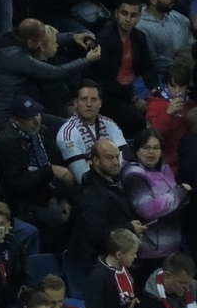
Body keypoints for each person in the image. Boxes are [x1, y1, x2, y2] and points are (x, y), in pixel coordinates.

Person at [0, 19, 98, 131]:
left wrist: (72, 37)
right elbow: (55, 72)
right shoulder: (14, 56)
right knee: (70, 128)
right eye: (40, 41)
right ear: (30, 42)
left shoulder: (10, 38)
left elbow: (43, 42)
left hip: (16, 108)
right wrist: (87, 60)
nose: (41, 44)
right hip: (1, 118)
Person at [0, 97, 76, 251]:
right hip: (26, 201)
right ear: (15, 120)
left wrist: (64, 197)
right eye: (29, 118)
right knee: (60, 218)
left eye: (37, 114)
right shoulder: (5, 143)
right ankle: (51, 256)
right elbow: (18, 184)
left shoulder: (42, 132)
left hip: (50, 192)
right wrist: (49, 170)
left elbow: (59, 164)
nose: (36, 120)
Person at [68, 138, 143, 275]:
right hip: (97, 267)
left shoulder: (113, 183)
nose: (115, 162)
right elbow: (95, 233)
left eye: (117, 157)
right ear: (96, 160)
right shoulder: (92, 194)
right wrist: (130, 228)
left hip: (114, 262)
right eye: (109, 158)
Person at [122, 128, 190, 269]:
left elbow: (173, 198)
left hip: (171, 246)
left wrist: (182, 197)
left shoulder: (164, 167)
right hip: (149, 252)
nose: (151, 152)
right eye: (146, 147)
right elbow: (148, 209)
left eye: (156, 148)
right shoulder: (134, 175)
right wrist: (180, 193)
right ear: (137, 150)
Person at [91, 0, 156, 139]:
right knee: (136, 121)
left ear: (139, 17)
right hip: (111, 94)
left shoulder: (139, 37)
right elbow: (104, 80)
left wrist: (154, 88)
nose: (128, 19)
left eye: (133, 15)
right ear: (116, 13)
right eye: (124, 13)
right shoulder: (105, 38)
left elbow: (147, 67)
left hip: (134, 88)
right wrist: (133, 99)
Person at [57, 81, 130, 184]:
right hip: (89, 189)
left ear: (100, 103)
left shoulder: (110, 124)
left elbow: (125, 160)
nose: (89, 104)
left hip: (118, 182)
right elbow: (82, 176)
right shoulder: (68, 134)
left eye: (94, 99)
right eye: (84, 99)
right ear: (76, 103)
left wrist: (96, 164)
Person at [136, 0, 194, 76]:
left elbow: (192, 48)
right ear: (153, 0)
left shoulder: (181, 19)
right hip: (163, 78)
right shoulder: (140, 28)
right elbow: (153, 62)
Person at [145, 63, 195, 170]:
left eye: (181, 86)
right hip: (165, 161)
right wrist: (167, 113)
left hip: (186, 157)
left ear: (187, 86)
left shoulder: (191, 105)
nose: (177, 91)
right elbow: (153, 135)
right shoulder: (156, 104)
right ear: (166, 84)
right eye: (173, 86)